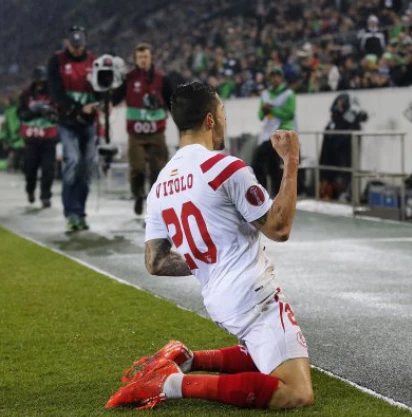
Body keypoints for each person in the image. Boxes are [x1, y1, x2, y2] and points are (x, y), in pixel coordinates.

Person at [106, 83, 313, 410]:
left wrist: (207, 261)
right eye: (223, 113)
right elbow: (279, 227)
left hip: (218, 299)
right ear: (210, 120)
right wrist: (291, 161)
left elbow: (155, 262)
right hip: (253, 294)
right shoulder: (225, 168)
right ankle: (171, 384)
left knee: (266, 349)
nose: (224, 120)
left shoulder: (159, 187)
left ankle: (187, 359)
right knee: (296, 392)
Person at [111, 43, 173, 216]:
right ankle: (138, 195)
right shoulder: (128, 79)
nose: (143, 60)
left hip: (156, 133)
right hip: (136, 134)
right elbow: (115, 98)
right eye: (140, 57)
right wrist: (107, 101)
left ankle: (154, 203)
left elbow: (172, 102)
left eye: (145, 56)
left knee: (158, 170)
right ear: (135, 59)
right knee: (137, 169)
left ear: (151, 58)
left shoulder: (161, 79)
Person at [47, 26, 99, 232]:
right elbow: (55, 92)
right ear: (67, 43)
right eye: (74, 46)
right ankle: (71, 214)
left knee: (86, 169)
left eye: (80, 46)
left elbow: (102, 89)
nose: (77, 50)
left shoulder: (94, 62)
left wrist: (102, 102)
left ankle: (81, 212)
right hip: (67, 122)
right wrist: (79, 108)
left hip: (88, 123)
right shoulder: (56, 61)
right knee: (72, 162)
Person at [18, 66, 59, 208]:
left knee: (48, 169)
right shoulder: (26, 95)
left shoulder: (54, 94)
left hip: (49, 137)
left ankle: (45, 196)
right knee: (30, 168)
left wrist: (50, 113)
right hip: (31, 138)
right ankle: (30, 190)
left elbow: (59, 113)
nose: (40, 84)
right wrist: (33, 112)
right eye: (38, 81)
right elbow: (20, 114)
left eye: (42, 81)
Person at [253, 67, 296, 196]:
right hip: (267, 133)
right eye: (272, 76)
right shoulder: (265, 94)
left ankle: (266, 193)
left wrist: (272, 109)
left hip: (282, 132)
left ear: (281, 78)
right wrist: (265, 110)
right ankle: (274, 193)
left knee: (260, 160)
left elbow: (289, 115)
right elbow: (260, 116)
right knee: (272, 165)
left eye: (277, 76)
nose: (274, 79)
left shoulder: (288, 94)